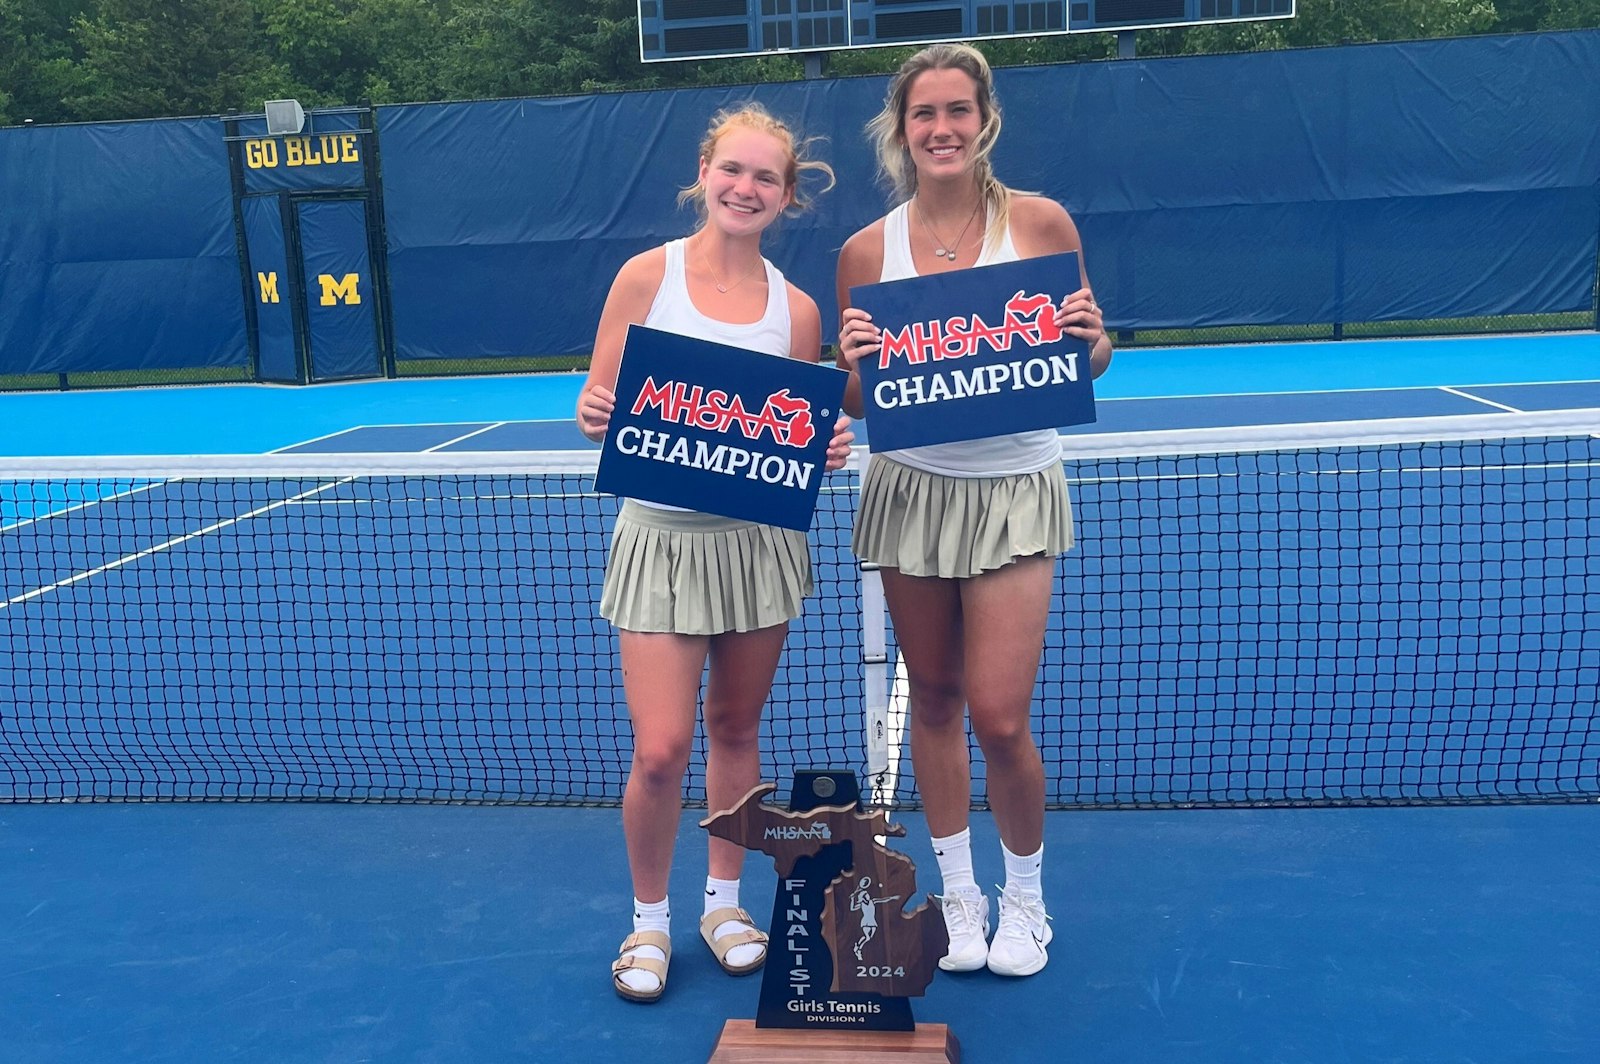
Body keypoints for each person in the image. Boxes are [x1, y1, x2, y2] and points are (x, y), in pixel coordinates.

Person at [834, 43, 1113, 979]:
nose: (942, 129)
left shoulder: (1040, 224)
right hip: (909, 493)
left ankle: (1024, 899)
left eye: (958, 110)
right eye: (925, 114)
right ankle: (957, 897)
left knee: (998, 714)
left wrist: (1095, 340)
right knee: (939, 704)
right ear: (901, 127)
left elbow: (1087, 359)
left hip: (1014, 488)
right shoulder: (866, 251)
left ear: (984, 118)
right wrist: (853, 367)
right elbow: (863, 403)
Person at [576, 104, 851, 1004]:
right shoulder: (644, 277)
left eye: (765, 178)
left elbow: (797, 431)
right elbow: (601, 400)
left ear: (785, 196)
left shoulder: (797, 308)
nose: (746, 188)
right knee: (660, 750)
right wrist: (593, 415)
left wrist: (825, 445)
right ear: (704, 170)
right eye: (733, 170)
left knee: (736, 731)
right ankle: (647, 919)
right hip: (659, 543)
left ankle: (723, 904)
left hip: (755, 547)